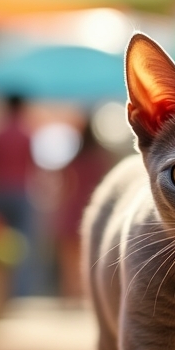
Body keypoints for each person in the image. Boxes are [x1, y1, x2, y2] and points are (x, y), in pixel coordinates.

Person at [56, 127, 114, 300]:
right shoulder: (100, 159)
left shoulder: (74, 160)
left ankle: (70, 292)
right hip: (92, 208)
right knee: (90, 255)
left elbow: (64, 184)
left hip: (73, 208)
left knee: (69, 256)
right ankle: (86, 293)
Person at [0, 95, 35, 296]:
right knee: (22, 244)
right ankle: (18, 291)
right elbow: (32, 163)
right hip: (20, 192)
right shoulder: (26, 134)